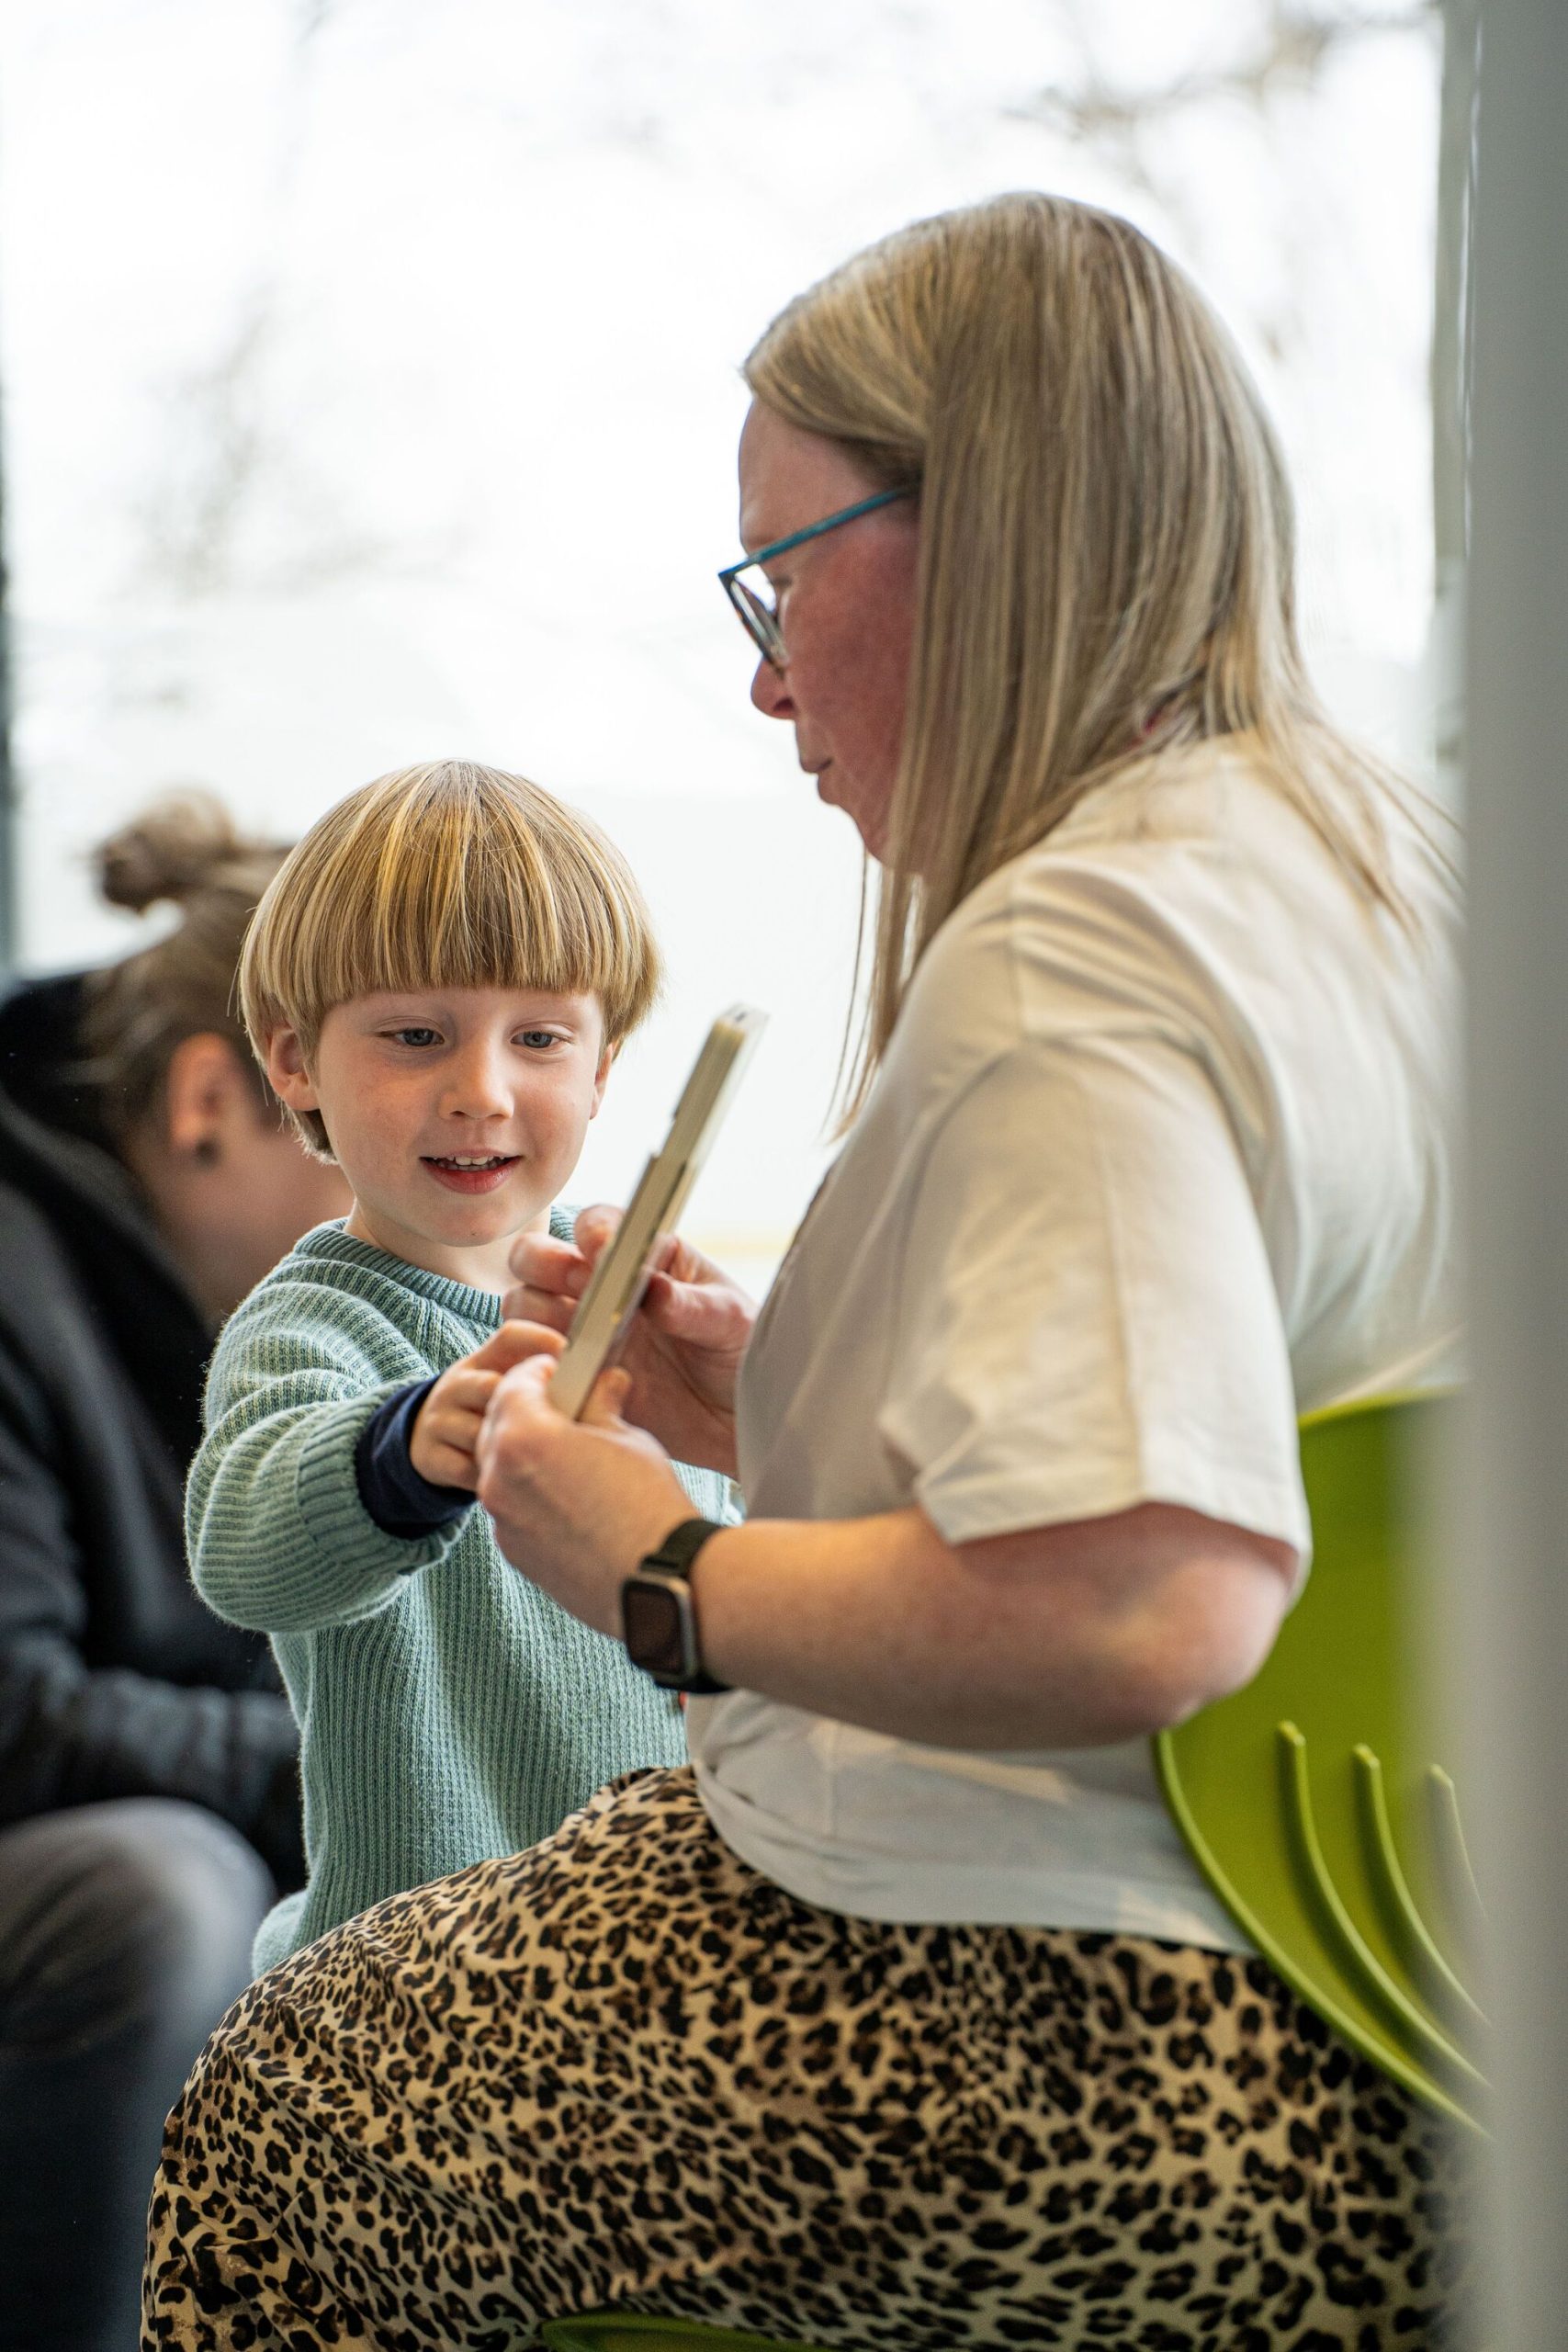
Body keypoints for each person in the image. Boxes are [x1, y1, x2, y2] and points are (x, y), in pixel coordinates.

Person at [143, 195, 1469, 2350]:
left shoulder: (1080, 955)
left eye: (780, 572)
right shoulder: (1370, 874)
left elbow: (1142, 1588)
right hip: (1376, 1966)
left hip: (1069, 2004)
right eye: (410, 1035)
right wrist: (767, 1413)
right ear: (292, 1066)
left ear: (988, 526)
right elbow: (1220, 1427)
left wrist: (662, 1565)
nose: (760, 672)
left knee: (271, 2108)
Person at [182, 757, 735, 1971]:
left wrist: (756, 1408)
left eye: (539, 1037)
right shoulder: (314, 1326)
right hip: (425, 1986)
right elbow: (243, 1550)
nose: (481, 1092)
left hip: (649, 1965)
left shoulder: (634, 1308)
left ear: (605, 1065)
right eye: (415, 1036)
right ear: (292, 1065)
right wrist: (402, 1450)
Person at [0, 793, 349, 2352]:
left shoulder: (251, 1314)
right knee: (163, 1891)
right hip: (68, 1854)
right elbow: (16, 1713)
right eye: (361, 1141)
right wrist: (340, 1760)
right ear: (214, 1098)